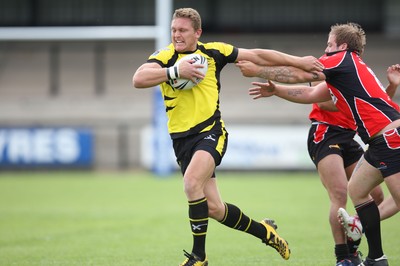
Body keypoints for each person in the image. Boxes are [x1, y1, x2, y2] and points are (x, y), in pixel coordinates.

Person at [132, 7, 323, 266]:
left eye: (183, 30)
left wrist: (298, 61)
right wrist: (175, 72)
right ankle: (266, 232)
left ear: (197, 32)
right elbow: (138, 78)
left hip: (210, 133)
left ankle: (199, 257)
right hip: (181, 140)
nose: (177, 35)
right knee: (213, 209)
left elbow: (257, 54)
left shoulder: (213, 51)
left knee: (191, 183)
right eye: (174, 30)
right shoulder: (166, 56)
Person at [240, 22, 400, 266]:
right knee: (356, 191)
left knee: (389, 197)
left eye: (329, 44)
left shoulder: (341, 60)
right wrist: (276, 90)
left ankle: (365, 255)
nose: (325, 50)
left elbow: (301, 75)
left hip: (388, 138)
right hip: (375, 139)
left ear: (343, 47)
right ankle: (372, 257)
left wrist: (259, 70)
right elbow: (310, 94)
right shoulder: (350, 70)